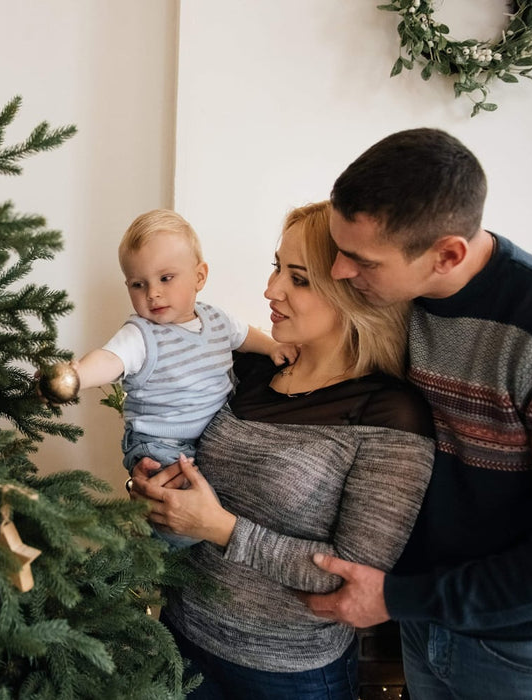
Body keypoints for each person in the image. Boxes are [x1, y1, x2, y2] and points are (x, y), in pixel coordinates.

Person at [299, 128, 532, 700]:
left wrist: (399, 598)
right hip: (418, 619)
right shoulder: (399, 299)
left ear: (448, 254)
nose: (338, 271)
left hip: (518, 648)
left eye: (360, 259)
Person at [128, 201, 435, 699]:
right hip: (179, 641)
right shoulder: (247, 373)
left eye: (299, 278)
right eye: (276, 268)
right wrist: (148, 489)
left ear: (351, 290)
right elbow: (174, 454)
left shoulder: (389, 414)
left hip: (289, 676)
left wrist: (218, 527)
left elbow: (351, 579)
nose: (271, 289)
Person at [40, 209, 295, 547]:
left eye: (165, 278)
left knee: (213, 503)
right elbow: (109, 360)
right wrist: (76, 375)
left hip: (208, 442)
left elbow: (244, 335)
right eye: (138, 284)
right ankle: (158, 546)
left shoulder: (217, 320)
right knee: (178, 520)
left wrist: (272, 347)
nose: (153, 294)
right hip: (160, 444)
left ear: (199, 277)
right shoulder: (141, 335)